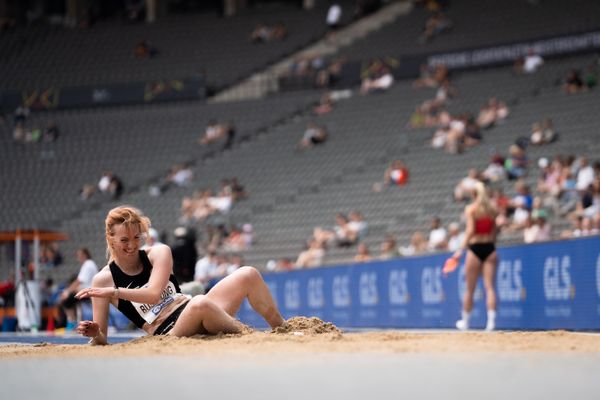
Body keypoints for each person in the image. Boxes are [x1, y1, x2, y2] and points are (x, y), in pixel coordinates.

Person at [75, 206, 284, 345]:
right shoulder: (102, 280)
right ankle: (253, 337)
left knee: (248, 273)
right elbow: (101, 340)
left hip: (193, 308)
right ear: (111, 240)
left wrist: (114, 292)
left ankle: (283, 329)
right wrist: (95, 333)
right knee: (200, 303)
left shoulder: (158, 252)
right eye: (124, 240)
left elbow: (154, 293)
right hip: (169, 331)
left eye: (137, 237)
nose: (132, 245)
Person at [452, 182, 499, 331]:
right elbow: (495, 231)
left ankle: (465, 322)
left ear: (473, 195)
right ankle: (491, 323)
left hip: (475, 248)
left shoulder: (471, 209)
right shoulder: (492, 210)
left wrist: (461, 249)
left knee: (470, 289)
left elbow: (471, 230)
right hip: (490, 248)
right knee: (489, 287)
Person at [60, 248, 98, 330]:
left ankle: (72, 322)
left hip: (89, 292)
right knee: (70, 297)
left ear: (84, 255)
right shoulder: (89, 264)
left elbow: (79, 281)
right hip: (88, 290)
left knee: (66, 300)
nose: (78, 257)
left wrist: (67, 291)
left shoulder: (88, 264)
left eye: (79, 255)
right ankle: (73, 321)